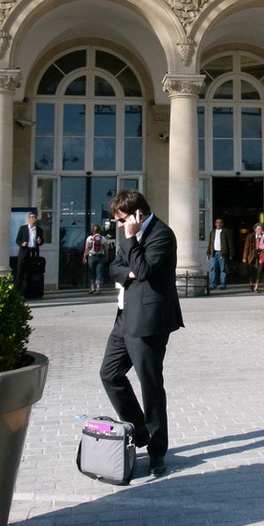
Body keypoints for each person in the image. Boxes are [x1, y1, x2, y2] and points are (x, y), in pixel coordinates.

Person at [99, 189, 183, 477]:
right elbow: (115, 267)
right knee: (109, 374)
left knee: (150, 386)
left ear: (138, 215)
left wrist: (133, 246)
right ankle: (141, 431)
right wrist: (129, 270)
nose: (119, 227)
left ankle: (157, 451)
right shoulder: (128, 236)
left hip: (150, 320)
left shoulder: (162, 234)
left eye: (122, 221)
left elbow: (144, 269)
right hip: (124, 317)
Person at [15, 212, 44, 293]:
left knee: (31, 272)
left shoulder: (38, 229)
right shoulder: (23, 228)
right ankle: (18, 291)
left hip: (33, 252)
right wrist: (22, 244)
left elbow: (41, 241)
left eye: (34, 217)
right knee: (20, 272)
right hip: (24, 251)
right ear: (29, 218)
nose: (33, 219)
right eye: (31, 217)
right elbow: (17, 240)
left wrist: (39, 241)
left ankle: (30, 290)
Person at [207, 217, 235, 290]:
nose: (219, 224)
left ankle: (223, 284)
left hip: (222, 253)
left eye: (220, 222)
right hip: (214, 253)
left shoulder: (226, 232)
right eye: (217, 222)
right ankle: (213, 284)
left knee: (223, 269)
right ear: (215, 224)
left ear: (222, 224)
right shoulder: (212, 232)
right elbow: (210, 243)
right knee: (213, 268)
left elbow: (230, 243)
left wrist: (231, 253)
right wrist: (208, 253)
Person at [83, 223, 106, 294]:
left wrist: (84, 257)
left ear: (92, 230)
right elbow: (106, 249)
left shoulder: (89, 238)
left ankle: (92, 287)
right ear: (100, 230)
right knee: (99, 272)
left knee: (92, 272)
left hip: (91, 256)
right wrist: (107, 257)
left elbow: (86, 248)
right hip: (100, 256)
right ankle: (98, 288)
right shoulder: (103, 238)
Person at [242, 222, 263, 292]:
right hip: (251, 256)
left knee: (259, 272)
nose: (260, 231)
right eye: (259, 229)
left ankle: (256, 287)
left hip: (260, 256)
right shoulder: (250, 236)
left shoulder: (263, 236)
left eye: (261, 229)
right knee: (251, 271)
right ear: (255, 229)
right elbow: (246, 247)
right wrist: (244, 257)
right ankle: (251, 284)